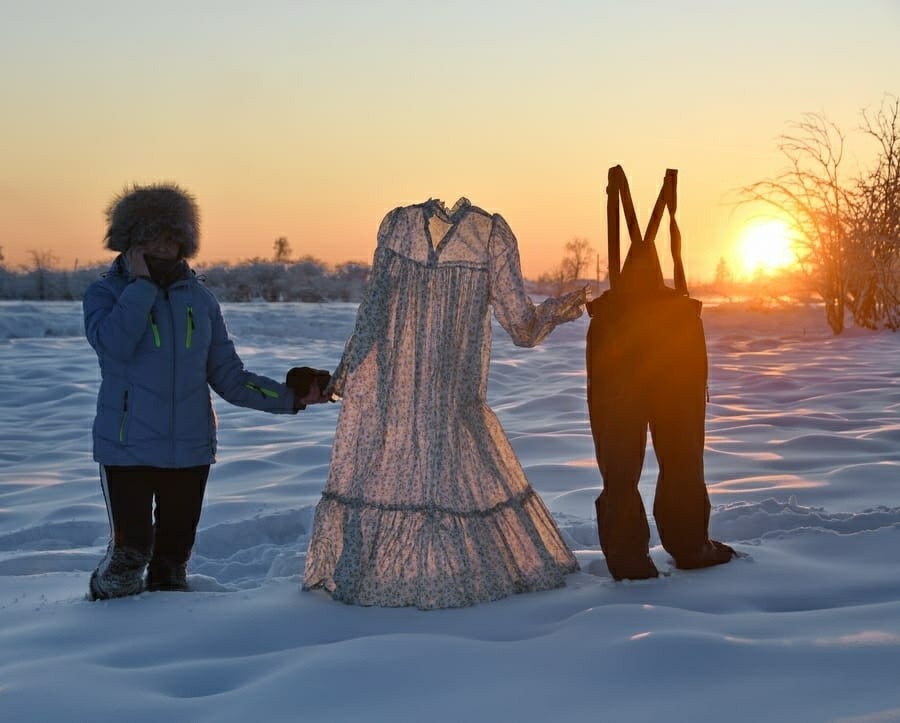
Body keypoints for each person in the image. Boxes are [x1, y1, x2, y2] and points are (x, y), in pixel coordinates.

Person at [303, 197, 589, 609]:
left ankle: (444, 574)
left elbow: (520, 326)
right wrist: (348, 373)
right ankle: (400, 573)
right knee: (405, 476)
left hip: (454, 389)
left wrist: (555, 312)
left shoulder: (489, 236)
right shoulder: (398, 227)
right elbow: (372, 311)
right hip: (398, 391)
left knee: (455, 480)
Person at [84, 182, 329, 600]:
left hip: (191, 450)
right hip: (127, 450)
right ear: (129, 242)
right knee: (129, 558)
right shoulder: (105, 293)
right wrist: (141, 288)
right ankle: (105, 625)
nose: (161, 246)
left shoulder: (200, 300)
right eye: (149, 236)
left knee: (172, 564)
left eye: (170, 236)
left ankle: (177, 647)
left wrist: (291, 398)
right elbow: (115, 344)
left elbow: (230, 376)